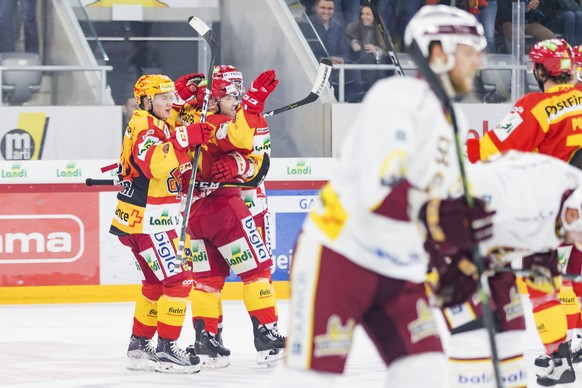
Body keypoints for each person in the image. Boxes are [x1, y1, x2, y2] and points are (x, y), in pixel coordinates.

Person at [274, 5, 494, 387]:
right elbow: (383, 188)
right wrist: (440, 217)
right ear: (438, 53)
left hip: (401, 270)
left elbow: (440, 208)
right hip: (340, 255)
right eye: (469, 49)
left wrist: (451, 258)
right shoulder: (399, 97)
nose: (480, 59)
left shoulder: (450, 119)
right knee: (312, 379)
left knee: (428, 375)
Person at [467, 38, 582, 385]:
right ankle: (573, 342)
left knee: (543, 282)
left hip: (552, 208)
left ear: (539, 70)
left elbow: (488, 151)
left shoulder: (536, 106)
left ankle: (557, 359)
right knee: (571, 279)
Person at [176, 66, 287, 368]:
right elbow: (240, 140)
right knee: (257, 272)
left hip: (195, 214)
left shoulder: (186, 118)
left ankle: (207, 342)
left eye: (239, 94)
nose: (236, 100)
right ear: (214, 98)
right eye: (229, 95)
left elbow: (259, 164)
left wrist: (181, 97)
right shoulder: (224, 121)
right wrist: (253, 106)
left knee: (206, 281)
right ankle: (268, 337)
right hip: (229, 210)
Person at [109, 74, 212, 373]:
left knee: (154, 283)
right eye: (163, 97)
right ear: (146, 101)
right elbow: (154, 164)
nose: (170, 102)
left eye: (170, 96)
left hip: (140, 220)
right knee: (178, 282)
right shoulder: (145, 125)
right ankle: (167, 348)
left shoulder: (157, 122)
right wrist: (186, 137)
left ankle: (140, 345)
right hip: (150, 222)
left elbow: (178, 122)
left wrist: (186, 97)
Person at [306, 0, 352, 100]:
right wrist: (321, 59)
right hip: (312, 73)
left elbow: (344, 53)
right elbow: (304, 50)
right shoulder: (307, 24)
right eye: (323, 8)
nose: (326, 11)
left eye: (330, 8)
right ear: (316, 8)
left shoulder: (338, 27)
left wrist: (341, 60)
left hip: (334, 74)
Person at [345, 3, 389, 98]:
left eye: (368, 14)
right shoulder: (352, 28)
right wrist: (353, 43)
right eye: (362, 14)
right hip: (357, 69)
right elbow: (345, 39)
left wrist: (377, 50)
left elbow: (388, 53)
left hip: (376, 71)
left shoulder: (381, 30)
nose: (364, 17)